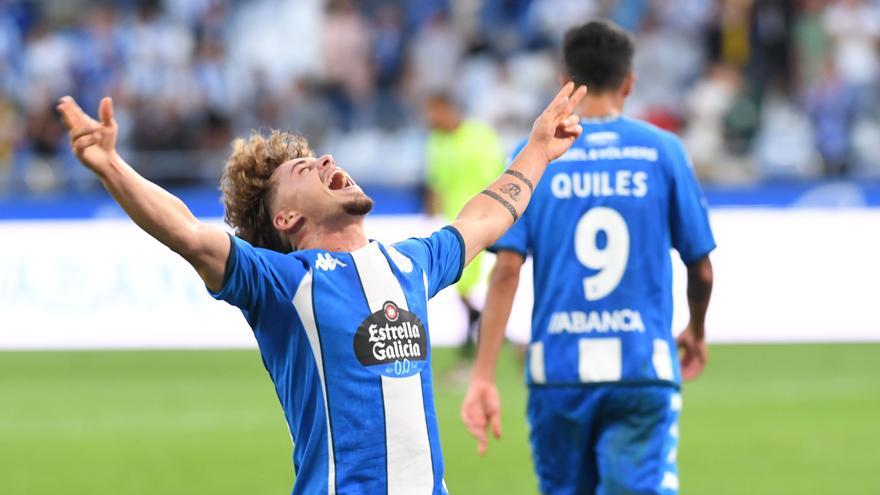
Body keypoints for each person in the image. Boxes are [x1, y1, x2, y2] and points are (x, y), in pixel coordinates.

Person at [56, 82, 586, 495]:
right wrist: (111, 167)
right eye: (307, 169)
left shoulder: (411, 263)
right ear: (285, 218)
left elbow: (485, 217)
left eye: (323, 158)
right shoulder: (282, 284)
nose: (329, 162)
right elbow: (189, 234)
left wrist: (538, 148)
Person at [461, 20, 715, 495]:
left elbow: (507, 269)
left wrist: (482, 375)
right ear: (629, 82)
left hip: (558, 371)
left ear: (564, 80)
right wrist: (696, 329)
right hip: (640, 367)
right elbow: (699, 266)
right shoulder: (662, 151)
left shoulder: (535, 154)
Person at [423, 92, 506, 355]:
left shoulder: (480, 136)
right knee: (462, 281)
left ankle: (486, 328)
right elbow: (436, 179)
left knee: (501, 271)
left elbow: (498, 171)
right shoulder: (436, 142)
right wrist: (432, 205)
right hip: (458, 222)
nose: (431, 118)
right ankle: (482, 324)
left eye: (435, 111)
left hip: (492, 216)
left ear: (449, 108)